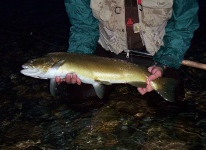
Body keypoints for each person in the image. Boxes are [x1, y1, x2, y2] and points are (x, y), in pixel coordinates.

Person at [56, 0, 199, 100]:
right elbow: (83, 27)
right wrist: (78, 59)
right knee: (82, 98)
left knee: (171, 103)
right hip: (107, 52)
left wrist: (164, 62)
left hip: (156, 53)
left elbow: (183, 25)